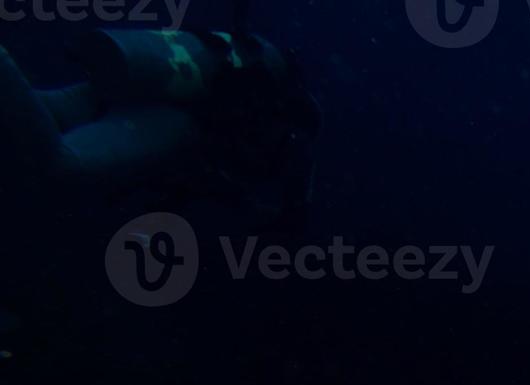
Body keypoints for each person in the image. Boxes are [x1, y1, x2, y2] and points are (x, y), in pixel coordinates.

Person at [0, 14, 319, 231]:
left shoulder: (253, 107)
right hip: (172, 118)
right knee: (63, 165)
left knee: (44, 108)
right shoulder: (271, 141)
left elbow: (204, 182)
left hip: (136, 80)